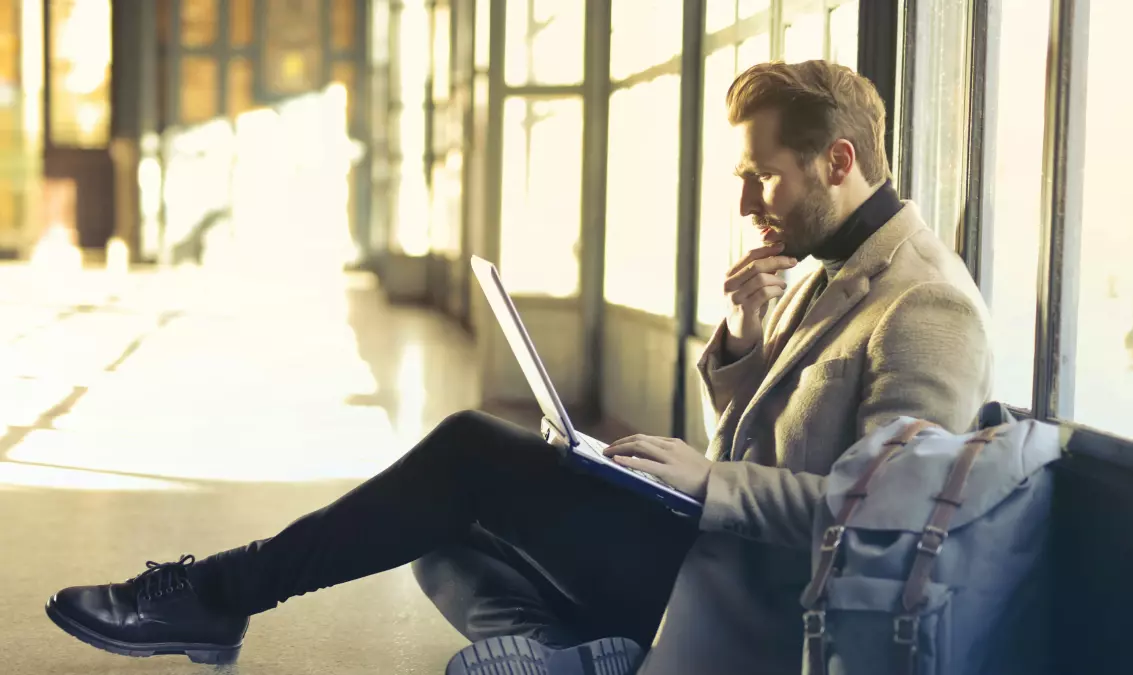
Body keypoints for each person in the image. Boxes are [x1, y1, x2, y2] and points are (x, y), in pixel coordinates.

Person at [43, 60, 992, 675]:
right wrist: (742, 344)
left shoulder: (926, 306)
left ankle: (216, 595)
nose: (747, 199)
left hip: (760, 606)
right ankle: (575, 654)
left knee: (463, 456)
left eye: (764, 174)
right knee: (434, 533)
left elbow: (884, 528)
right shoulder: (827, 270)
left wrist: (706, 481)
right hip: (706, 553)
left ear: (838, 160)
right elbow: (768, 442)